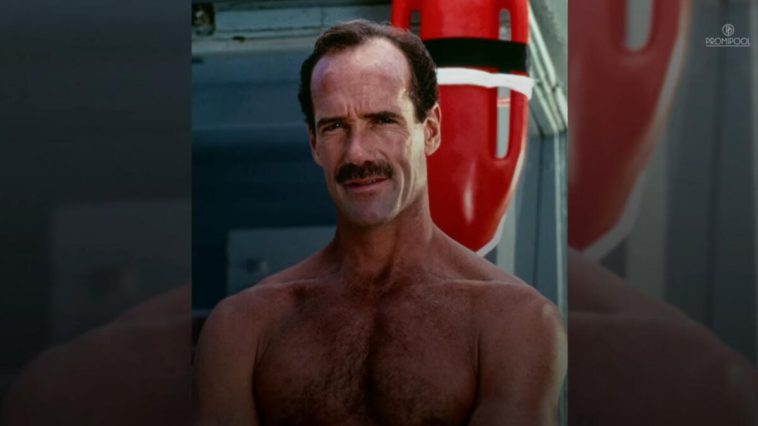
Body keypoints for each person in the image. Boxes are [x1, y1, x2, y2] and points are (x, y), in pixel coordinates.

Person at [193, 20, 566, 425]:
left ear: (431, 130)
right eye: (335, 126)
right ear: (314, 144)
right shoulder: (243, 328)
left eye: (382, 120)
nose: (357, 154)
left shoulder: (512, 323)